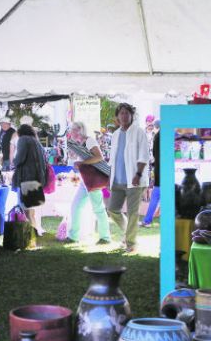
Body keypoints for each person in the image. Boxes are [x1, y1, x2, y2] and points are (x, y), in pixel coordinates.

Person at [108, 103, 150, 254]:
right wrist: (110, 178)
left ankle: (131, 244)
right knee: (112, 210)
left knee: (133, 213)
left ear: (132, 115)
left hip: (134, 181)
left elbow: (144, 155)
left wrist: (138, 174)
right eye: (121, 114)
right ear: (117, 117)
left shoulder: (139, 132)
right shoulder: (115, 134)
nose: (124, 116)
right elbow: (113, 158)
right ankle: (128, 233)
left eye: (127, 113)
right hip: (117, 180)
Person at [64, 121, 112, 244]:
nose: (72, 132)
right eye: (71, 130)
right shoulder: (80, 143)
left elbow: (99, 157)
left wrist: (82, 163)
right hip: (85, 180)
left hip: (92, 180)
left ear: (80, 129)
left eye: (74, 130)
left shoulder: (89, 140)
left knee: (98, 209)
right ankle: (73, 236)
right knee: (76, 206)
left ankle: (105, 237)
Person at [12, 123, 46, 237]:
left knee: (25, 207)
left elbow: (19, 159)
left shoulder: (23, 140)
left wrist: (14, 161)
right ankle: (35, 230)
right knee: (31, 207)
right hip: (36, 178)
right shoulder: (36, 141)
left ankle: (33, 232)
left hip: (26, 177)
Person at [141, 120, 160, 227]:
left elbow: (154, 154)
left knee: (155, 197)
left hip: (159, 170)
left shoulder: (157, 136)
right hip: (161, 171)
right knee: (155, 196)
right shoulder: (160, 136)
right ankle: (147, 220)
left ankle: (147, 220)